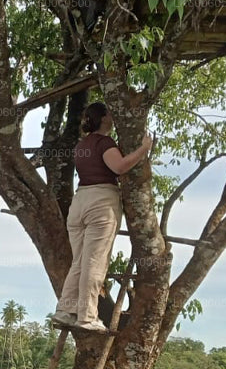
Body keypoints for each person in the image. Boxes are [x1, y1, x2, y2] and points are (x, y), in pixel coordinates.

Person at [52, 102, 153, 332]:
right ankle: (87, 317)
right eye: (110, 113)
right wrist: (143, 149)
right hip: (101, 201)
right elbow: (119, 167)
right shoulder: (104, 142)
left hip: (80, 201)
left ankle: (65, 310)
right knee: (94, 262)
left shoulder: (81, 146)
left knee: (79, 261)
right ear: (104, 118)